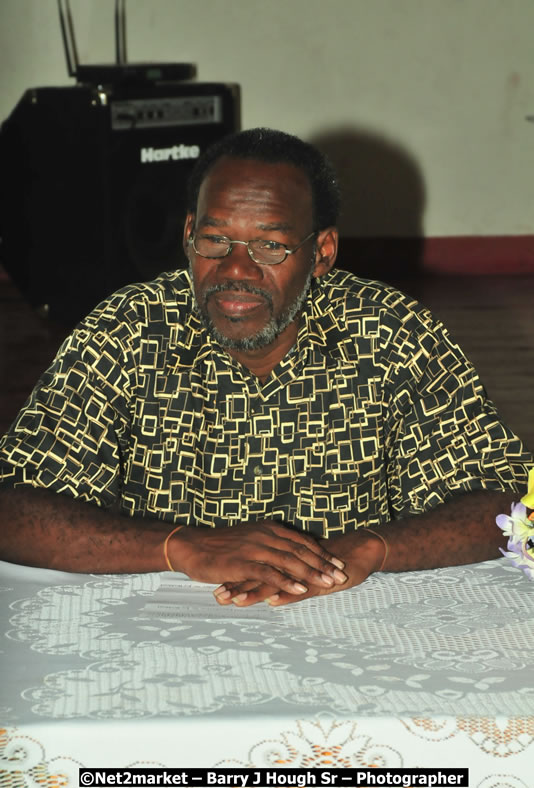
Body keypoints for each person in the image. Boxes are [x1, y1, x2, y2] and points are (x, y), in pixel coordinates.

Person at [0, 127, 532, 607]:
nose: (235, 268)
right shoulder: (128, 330)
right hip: (160, 625)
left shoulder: (390, 333)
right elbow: (13, 509)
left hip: (351, 620)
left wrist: (374, 548)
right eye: (214, 240)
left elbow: (509, 506)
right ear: (188, 234)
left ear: (321, 253)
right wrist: (180, 547)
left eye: (270, 246)